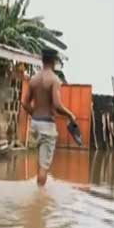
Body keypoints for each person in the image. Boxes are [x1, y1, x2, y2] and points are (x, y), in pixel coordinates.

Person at [21, 48, 77, 186]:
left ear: (42, 59)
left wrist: (34, 113)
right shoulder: (54, 80)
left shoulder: (34, 79)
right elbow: (57, 105)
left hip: (34, 124)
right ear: (53, 61)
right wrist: (70, 114)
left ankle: (38, 189)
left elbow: (24, 102)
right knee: (44, 167)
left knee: (40, 163)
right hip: (47, 125)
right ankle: (39, 201)